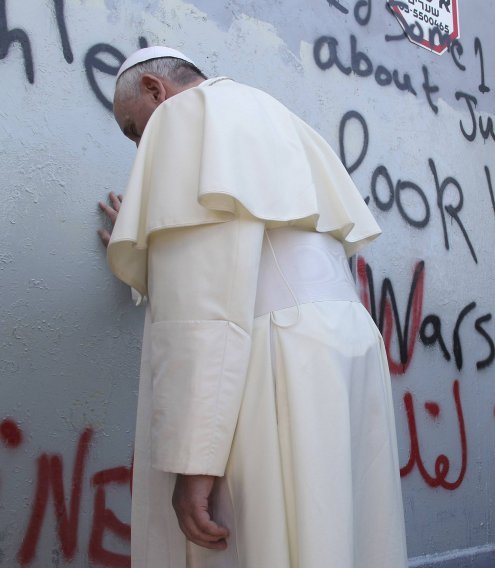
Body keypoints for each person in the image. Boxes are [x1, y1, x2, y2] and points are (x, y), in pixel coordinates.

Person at [97, 46, 408, 567]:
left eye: (133, 129)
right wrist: (154, 234)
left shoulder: (180, 119)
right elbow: (253, 255)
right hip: (346, 348)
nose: (139, 146)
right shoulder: (271, 112)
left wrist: (192, 464)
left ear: (156, 90)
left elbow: (203, 303)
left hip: (273, 361)